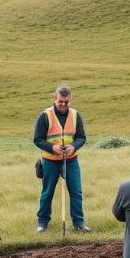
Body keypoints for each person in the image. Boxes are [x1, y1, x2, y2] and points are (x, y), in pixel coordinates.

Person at [33, 84, 89, 233]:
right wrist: (52, 148)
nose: (63, 105)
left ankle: (79, 223)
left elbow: (81, 137)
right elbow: (37, 139)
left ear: (70, 100)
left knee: (76, 192)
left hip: (71, 161)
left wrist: (74, 146)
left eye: (66, 102)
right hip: (50, 161)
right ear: (55, 99)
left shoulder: (76, 115)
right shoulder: (45, 116)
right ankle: (42, 223)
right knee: (47, 192)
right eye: (60, 102)